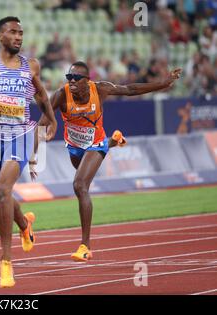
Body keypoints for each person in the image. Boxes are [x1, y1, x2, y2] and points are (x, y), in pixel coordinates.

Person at [40, 61, 181, 262]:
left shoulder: (100, 89)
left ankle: (85, 246)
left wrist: (163, 84)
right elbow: (43, 120)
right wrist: (32, 142)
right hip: (73, 147)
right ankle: (114, 141)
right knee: (81, 180)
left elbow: (130, 89)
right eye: (69, 78)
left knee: (80, 186)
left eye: (76, 78)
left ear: (86, 80)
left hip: (95, 143)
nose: (71, 82)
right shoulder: (61, 95)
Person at [0, 16, 57, 288]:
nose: (19, 37)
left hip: (22, 134)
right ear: (0, 36)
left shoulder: (32, 66)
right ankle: (25, 225)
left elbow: (41, 96)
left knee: (4, 191)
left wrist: (52, 119)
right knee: (0, 195)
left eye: (21, 33)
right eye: (13, 32)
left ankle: (6, 262)